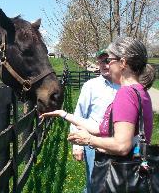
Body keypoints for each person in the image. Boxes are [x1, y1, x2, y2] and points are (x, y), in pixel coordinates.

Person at [40, 37, 155, 190]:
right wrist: (64, 114)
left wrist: (89, 140)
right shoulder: (140, 92)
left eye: (111, 59)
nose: (108, 64)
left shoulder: (125, 94)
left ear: (123, 63)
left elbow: (122, 145)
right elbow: (103, 129)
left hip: (119, 176)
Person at [70, 49, 119, 193]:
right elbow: (79, 114)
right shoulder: (90, 86)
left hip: (119, 142)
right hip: (93, 143)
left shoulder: (125, 85)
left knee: (118, 181)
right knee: (94, 182)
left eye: (108, 60)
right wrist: (77, 145)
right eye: (101, 61)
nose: (105, 64)